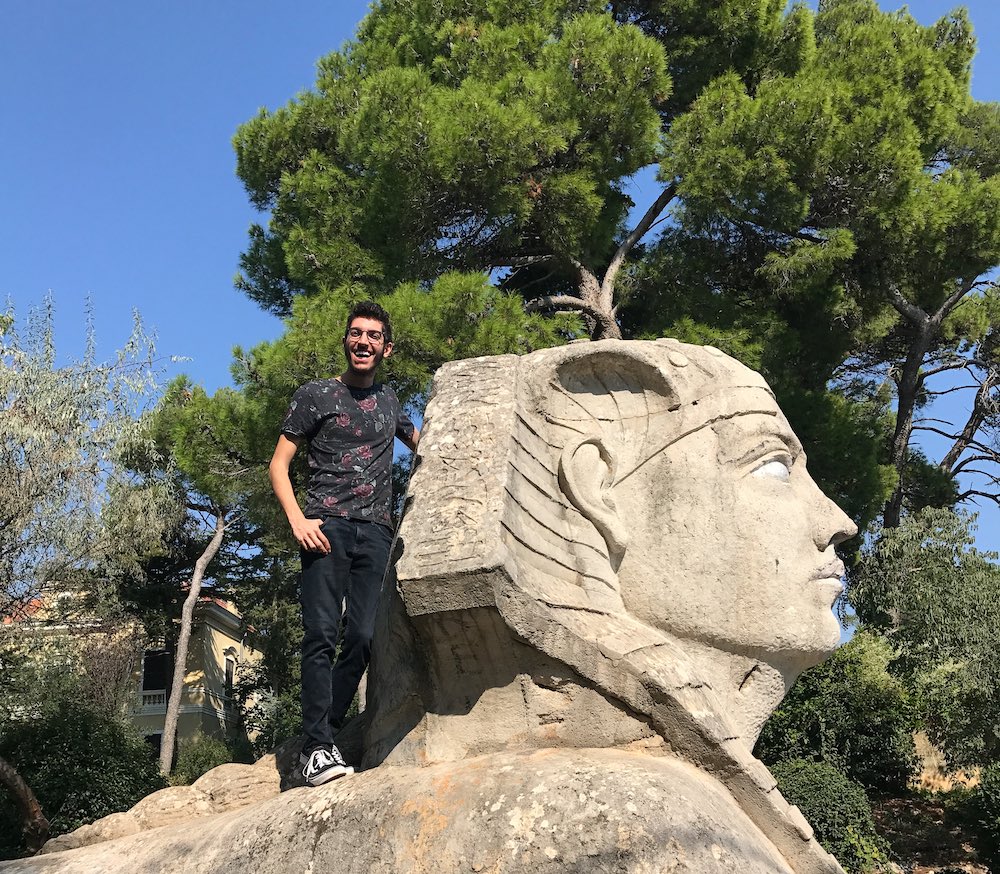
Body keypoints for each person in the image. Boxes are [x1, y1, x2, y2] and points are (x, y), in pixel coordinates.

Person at [269, 300, 418, 787]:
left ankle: (323, 736)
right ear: (346, 340)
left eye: (374, 336)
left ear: (386, 348)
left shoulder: (392, 404)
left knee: (365, 636)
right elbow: (279, 465)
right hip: (325, 528)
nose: (364, 342)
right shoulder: (316, 396)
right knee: (320, 635)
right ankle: (316, 748)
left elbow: (424, 441)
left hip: (376, 531)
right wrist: (297, 520)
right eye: (357, 333)